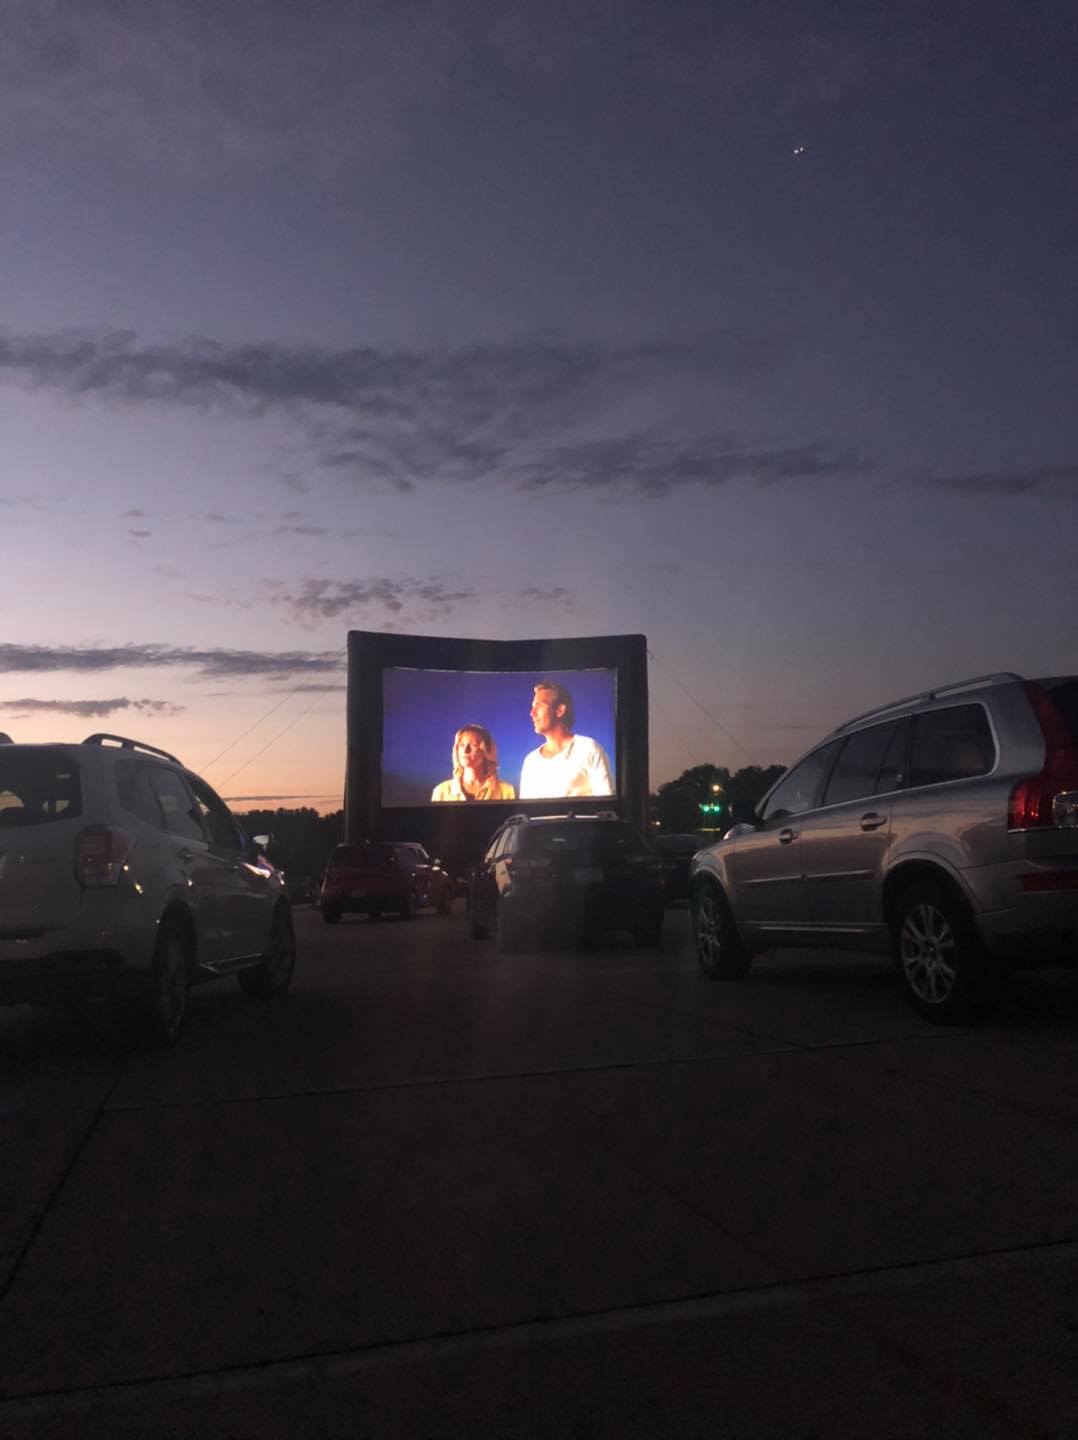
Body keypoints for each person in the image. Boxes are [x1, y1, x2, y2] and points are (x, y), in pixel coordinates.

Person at [518, 680, 614, 799]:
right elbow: (526, 813)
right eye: (532, 707)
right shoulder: (530, 762)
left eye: (539, 706)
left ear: (560, 710)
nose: (532, 713)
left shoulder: (589, 749)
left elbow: (607, 808)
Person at [431, 725, 516, 802]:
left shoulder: (506, 791)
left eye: (474, 745)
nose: (465, 750)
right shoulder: (441, 791)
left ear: (488, 751)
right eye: (461, 745)